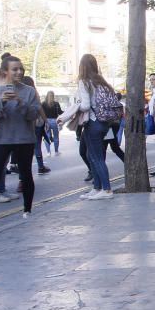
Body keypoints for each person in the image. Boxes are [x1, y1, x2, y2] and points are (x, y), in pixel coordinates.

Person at [0, 55, 41, 231]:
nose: (19, 72)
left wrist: (20, 102)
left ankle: (27, 210)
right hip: (0, 139)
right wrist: (1, 101)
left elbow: (33, 115)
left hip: (24, 139)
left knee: (26, 175)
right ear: (5, 71)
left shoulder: (29, 91)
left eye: (21, 69)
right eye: (15, 69)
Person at [65, 54, 120, 200]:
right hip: (104, 123)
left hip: (93, 123)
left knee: (96, 157)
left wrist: (75, 107)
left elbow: (86, 105)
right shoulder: (102, 82)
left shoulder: (84, 82)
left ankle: (106, 189)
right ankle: (97, 187)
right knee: (92, 155)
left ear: (82, 67)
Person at [21, 76, 50, 175]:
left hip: (24, 125)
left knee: (24, 151)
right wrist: (46, 121)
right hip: (36, 124)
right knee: (37, 146)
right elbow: (39, 108)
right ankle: (40, 166)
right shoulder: (33, 92)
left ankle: (22, 174)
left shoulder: (19, 92)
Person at [42, 91, 62, 155]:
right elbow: (60, 112)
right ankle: (56, 151)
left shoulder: (43, 104)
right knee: (56, 136)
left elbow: (41, 113)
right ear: (53, 96)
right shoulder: (56, 104)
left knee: (47, 137)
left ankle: (48, 152)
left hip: (46, 121)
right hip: (54, 121)